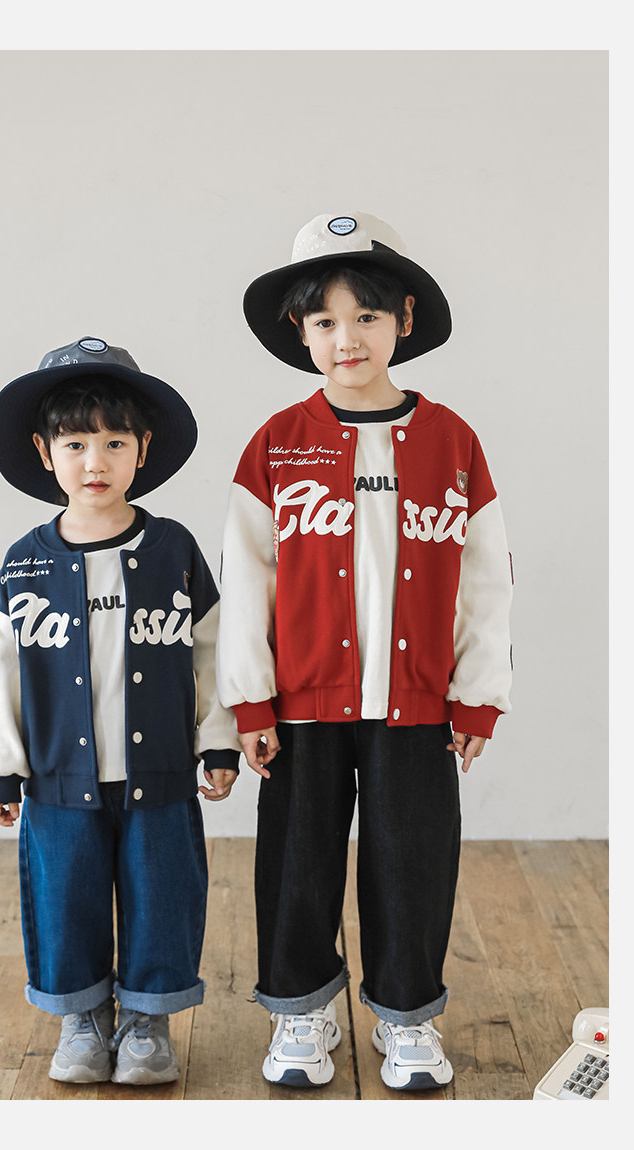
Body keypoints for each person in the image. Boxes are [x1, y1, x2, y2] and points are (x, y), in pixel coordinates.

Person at [216, 212, 513, 1091]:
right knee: (297, 863)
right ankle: (300, 1011)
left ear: (404, 320)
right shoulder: (277, 443)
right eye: (325, 321)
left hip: (416, 704)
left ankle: (407, 1015)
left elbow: (487, 578)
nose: (347, 339)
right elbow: (246, 579)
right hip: (301, 705)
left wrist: (478, 694)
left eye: (367, 317)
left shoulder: (454, 442)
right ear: (300, 331)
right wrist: (249, 699)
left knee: (413, 862)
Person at [0, 337, 240, 1086]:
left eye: (115, 442)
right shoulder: (24, 562)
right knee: (66, 898)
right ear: (44, 451)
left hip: (161, 775)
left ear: (143, 449)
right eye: (76, 443)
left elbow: (213, 654)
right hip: (58, 781)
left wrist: (219, 743)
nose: (96, 461)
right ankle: (82, 1018)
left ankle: (148, 1020)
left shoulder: (173, 550)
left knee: (164, 894)